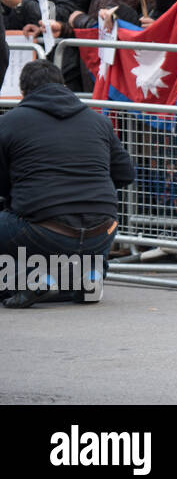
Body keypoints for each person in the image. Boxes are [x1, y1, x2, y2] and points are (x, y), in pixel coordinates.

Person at [0, 59, 135, 308]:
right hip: (102, 230)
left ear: (23, 92)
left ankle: (25, 278)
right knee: (60, 227)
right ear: (63, 86)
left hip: (43, 228)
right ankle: (88, 278)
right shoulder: (99, 122)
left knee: (16, 223)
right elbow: (125, 174)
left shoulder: (9, 123)